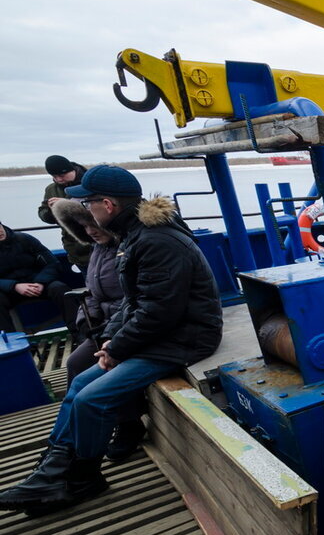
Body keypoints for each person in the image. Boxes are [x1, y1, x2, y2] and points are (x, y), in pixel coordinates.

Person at [0, 166, 223, 515]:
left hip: (185, 336)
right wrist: (108, 340)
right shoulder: (134, 236)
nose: (86, 211)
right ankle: (53, 469)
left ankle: (83, 477)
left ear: (107, 204)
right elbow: (133, 302)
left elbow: (159, 311)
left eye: (88, 203)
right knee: (81, 382)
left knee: (92, 398)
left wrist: (117, 349)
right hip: (163, 333)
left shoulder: (155, 240)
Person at [52, 200, 124, 383]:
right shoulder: (98, 250)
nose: (90, 231)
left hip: (123, 327)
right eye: (84, 226)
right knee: (75, 363)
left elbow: (137, 297)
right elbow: (92, 292)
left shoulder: (127, 249)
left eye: (94, 224)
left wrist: (109, 331)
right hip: (104, 327)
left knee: (90, 371)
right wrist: (87, 319)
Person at [0, 220, 72, 333]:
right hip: (10, 290)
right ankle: (12, 344)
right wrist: (14, 286)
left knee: (60, 289)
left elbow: (52, 263)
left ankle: (80, 332)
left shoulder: (24, 239)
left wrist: (40, 282)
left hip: (38, 283)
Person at [40, 155, 92, 273]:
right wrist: (51, 210)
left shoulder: (91, 183)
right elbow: (43, 215)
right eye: (54, 176)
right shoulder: (51, 189)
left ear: (72, 170)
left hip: (97, 243)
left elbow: (102, 211)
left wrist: (67, 205)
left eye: (62, 175)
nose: (58, 179)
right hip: (74, 247)